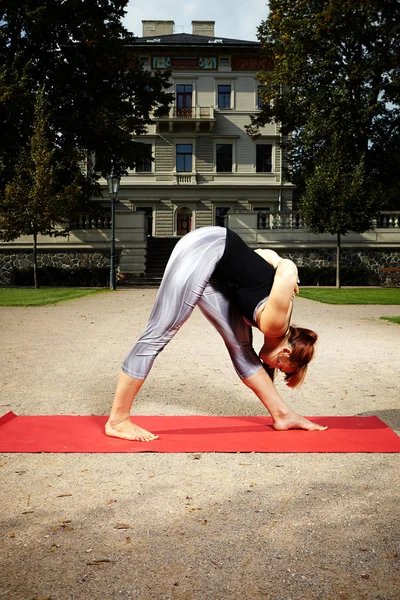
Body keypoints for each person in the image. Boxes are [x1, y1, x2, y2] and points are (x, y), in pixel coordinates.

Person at [105, 226, 327, 441]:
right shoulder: (275, 326)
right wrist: (285, 264)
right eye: (280, 364)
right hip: (206, 246)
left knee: (241, 348)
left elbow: (260, 254)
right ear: (286, 351)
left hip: (215, 266)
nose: (273, 367)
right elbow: (287, 271)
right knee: (159, 333)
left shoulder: (272, 323)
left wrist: (275, 260)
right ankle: (118, 420)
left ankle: (282, 414)